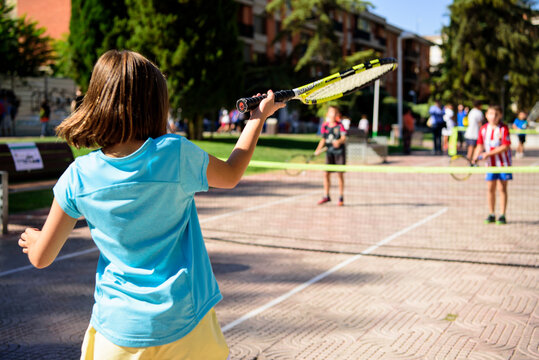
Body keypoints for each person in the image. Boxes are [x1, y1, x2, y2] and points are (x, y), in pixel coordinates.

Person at [17, 50, 285, 359]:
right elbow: (232, 173)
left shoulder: (79, 177)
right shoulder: (175, 155)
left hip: (116, 333)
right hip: (187, 326)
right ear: (155, 104)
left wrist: (36, 239)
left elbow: (41, 258)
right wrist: (257, 119)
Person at [472, 104, 511, 225]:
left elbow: (505, 146)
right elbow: (479, 145)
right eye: (490, 114)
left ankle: (502, 214)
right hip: (490, 165)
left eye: (496, 114)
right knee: (490, 189)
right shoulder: (483, 129)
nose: (493, 116)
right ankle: (491, 213)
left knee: (502, 188)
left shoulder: (504, 129)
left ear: (500, 115)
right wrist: (474, 157)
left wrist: (488, 154)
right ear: (486, 115)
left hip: (503, 164)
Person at [314, 105, 347, 206]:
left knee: (339, 175)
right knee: (326, 174)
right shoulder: (325, 126)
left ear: (337, 115)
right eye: (331, 112)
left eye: (335, 112)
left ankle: (341, 197)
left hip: (339, 153)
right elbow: (323, 139)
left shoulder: (340, 125)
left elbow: (344, 138)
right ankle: (326, 195)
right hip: (329, 153)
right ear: (327, 114)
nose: (333, 114)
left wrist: (339, 141)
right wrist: (318, 150)